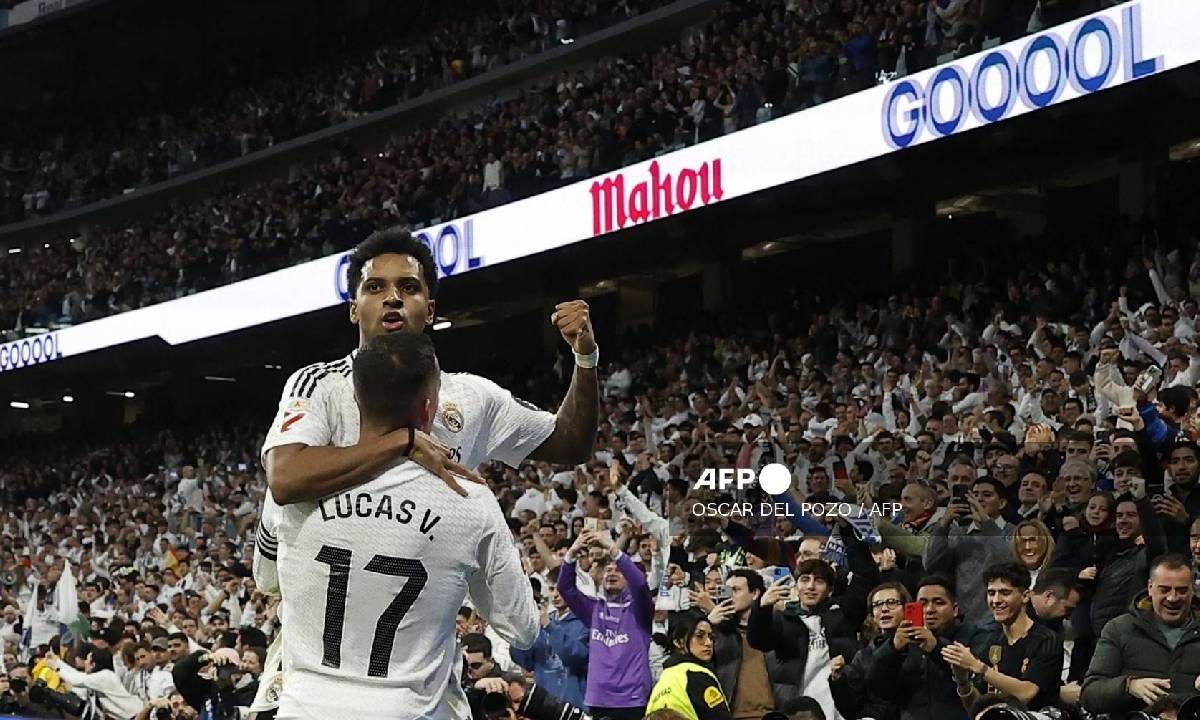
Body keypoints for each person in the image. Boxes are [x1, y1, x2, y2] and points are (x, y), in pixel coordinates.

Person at [253, 227, 599, 713]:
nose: (392, 298)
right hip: (317, 665)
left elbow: (570, 441)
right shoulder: (319, 386)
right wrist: (405, 441)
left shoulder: (472, 398)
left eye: (409, 288)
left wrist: (585, 357)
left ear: (430, 311)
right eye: (375, 288)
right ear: (354, 310)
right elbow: (285, 477)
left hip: (408, 663)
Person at [272, 332, 540, 720]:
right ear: (429, 408)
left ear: (355, 401)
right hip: (409, 710)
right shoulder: (469, 499)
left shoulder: (297, 486)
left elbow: (265, 576)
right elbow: (523, 630)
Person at [1081, 554, 1200, 715]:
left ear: (1193, 590)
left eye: (1182, 590)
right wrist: (1130, 686)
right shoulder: (1119, 629)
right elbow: (1090, 695)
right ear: (1150, 587)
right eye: (1164, 589)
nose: (1172, 598)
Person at [558, 527, 654, 720]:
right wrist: (571, 554)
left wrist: (612, 548)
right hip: (598, 699)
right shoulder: (594, 609)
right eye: (608, 569)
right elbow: (565, 588)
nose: (612, 572)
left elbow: (641, 585)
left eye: (619, 571)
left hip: (632, 700)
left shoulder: (640, 610)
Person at [941, 562, 1063, 711]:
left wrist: (977, 666)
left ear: (1025, 596)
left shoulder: (1046, 639)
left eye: (1005, 593)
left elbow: (1027, 693)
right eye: (991, 593)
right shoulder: (991, 642)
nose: (996, 600)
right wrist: (963, 681)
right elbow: (980, 709)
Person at [868, 574, 973, 720]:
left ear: (955, 609)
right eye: (922, 604)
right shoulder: (902, 645)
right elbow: (879, 689)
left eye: (939, 602)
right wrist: (892, 649)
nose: (929, 609)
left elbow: (975, 680)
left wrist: (936, 647)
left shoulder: (971, 636)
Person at [510, 567, 589, 708]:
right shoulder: (543, 621)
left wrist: (549, 626)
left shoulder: (585, 622)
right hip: (543, 703)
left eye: (561, 589)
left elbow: (576, 657)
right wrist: (521, 632)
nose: (556, 595)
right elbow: (526, 661)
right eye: (552, 589)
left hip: (574, 703)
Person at [645, 612, 733, 720]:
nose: (708, 643)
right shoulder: (697, 675)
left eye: (711, 637)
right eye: (699, 636)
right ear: (678, 642)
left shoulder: (661, 683)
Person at [42, 645, 143, 720]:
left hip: (136, 714)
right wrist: (57, 661)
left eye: (87, 659)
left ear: (93, 664)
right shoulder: (96, 678)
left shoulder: (105, 676)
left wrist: (56, 667)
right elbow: (78, 675)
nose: (85, 662)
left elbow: (77, 680)